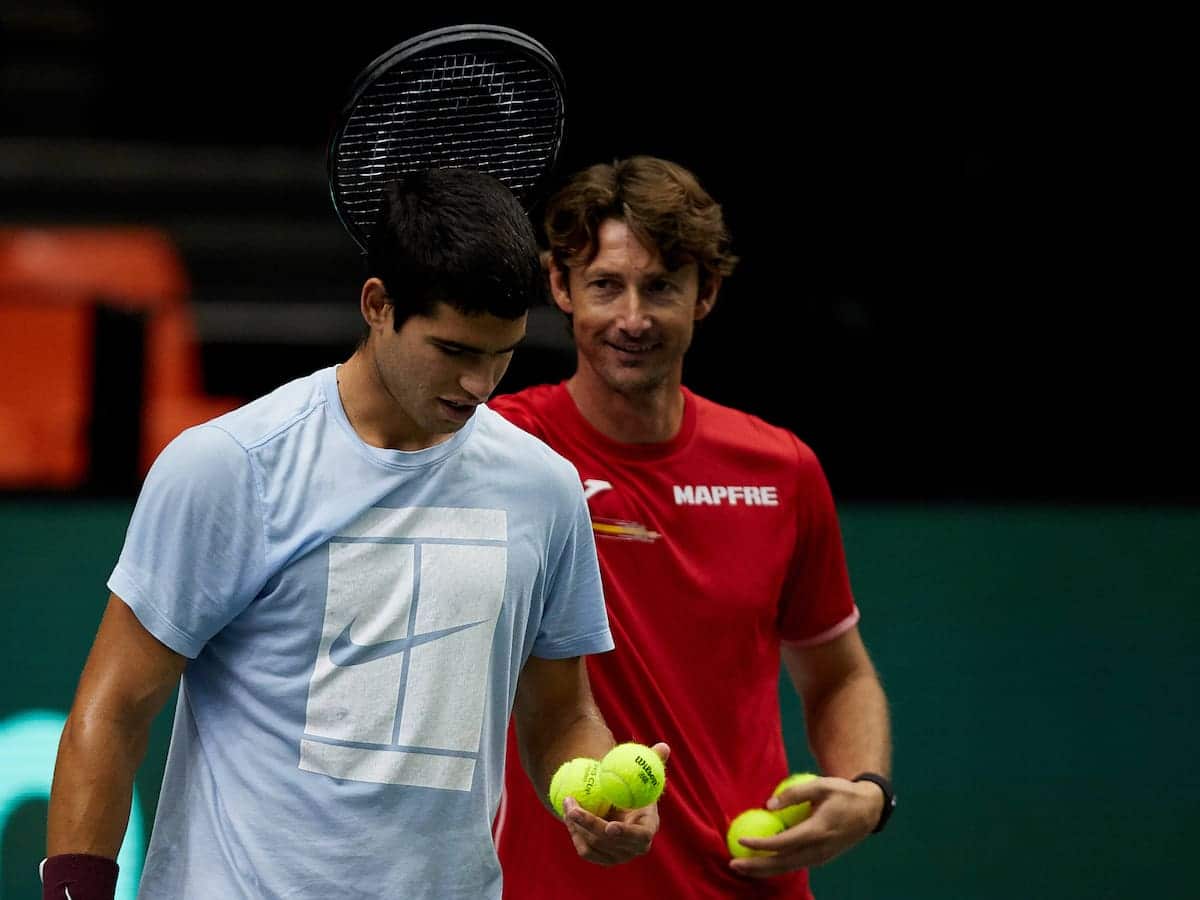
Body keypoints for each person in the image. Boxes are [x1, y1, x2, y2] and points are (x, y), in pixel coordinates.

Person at [42, 167, 666, 900]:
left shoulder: (544, 487)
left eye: (502, 354)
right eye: (454, 350)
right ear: (377, 305)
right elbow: (112, 710)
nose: (479, 384)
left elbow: (564, 712)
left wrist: (597, 797)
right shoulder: (230, 466)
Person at [490, 156, 892, 898]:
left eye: (662, 287)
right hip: (554, 881)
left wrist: (867, 793)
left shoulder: (781, 469)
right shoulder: (498, 451)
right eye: (606, 285)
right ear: (560, 287)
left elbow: (839, 672)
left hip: (748, 878)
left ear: (705, 293)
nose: (633, 319)